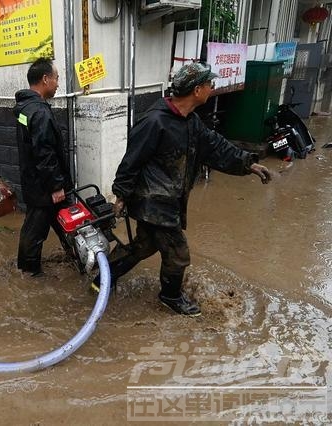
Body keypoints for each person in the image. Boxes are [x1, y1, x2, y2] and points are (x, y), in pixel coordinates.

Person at [91, 62, 272, 316]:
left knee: (144, 245)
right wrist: (121, 196)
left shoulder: (191, 121)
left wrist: (248, 163)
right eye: (210, 84)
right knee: (178, 253)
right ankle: (170, 296)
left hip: (169, 199)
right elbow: (132, 160)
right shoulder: (155, 121)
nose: (213, 87)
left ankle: (102, 278)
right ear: (197, 90)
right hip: (154, 201)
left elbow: (216, 146)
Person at [14, 58, 74, 277]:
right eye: (56, 78)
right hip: (45, 188)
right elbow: (44, 153)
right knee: (35, 230)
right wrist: (56, 186)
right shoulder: (39, 112)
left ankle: (76, 256)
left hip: (35, 182)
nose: (58, 84)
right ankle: (28, 272)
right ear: (45, 79)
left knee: (64, 221)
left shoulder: (25, 109)